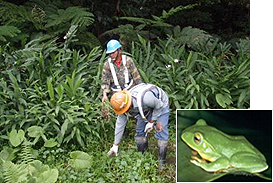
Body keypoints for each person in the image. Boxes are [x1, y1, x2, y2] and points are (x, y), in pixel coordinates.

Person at [107, 83, 169, 168]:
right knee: (140, 133)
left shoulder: (147, 99)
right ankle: (143, 156)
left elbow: (159, 106)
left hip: (160, 104)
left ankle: (162, 162)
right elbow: (120, 125)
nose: (126, 112)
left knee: (160, 130)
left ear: (129, 104)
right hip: (144, 108)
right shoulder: (122, 105)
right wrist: (115, 145)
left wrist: (152, 121)